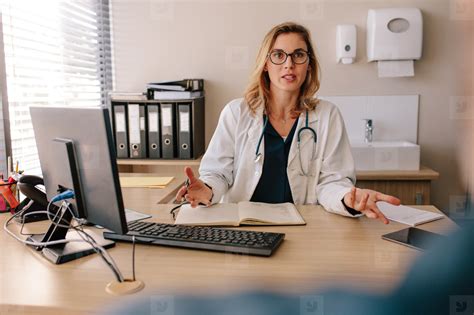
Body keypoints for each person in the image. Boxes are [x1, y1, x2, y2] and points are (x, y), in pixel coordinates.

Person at [176, 22, 400, 223]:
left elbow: (332, 182)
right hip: (245, 226)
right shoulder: (237, 112)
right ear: (265, 63)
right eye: (278, 55)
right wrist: (206, 189)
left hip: (303, 227)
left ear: (308, 65)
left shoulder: (327, 115)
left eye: (299, 55)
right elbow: (218, 173)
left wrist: (347, 197)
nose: (289, 64)